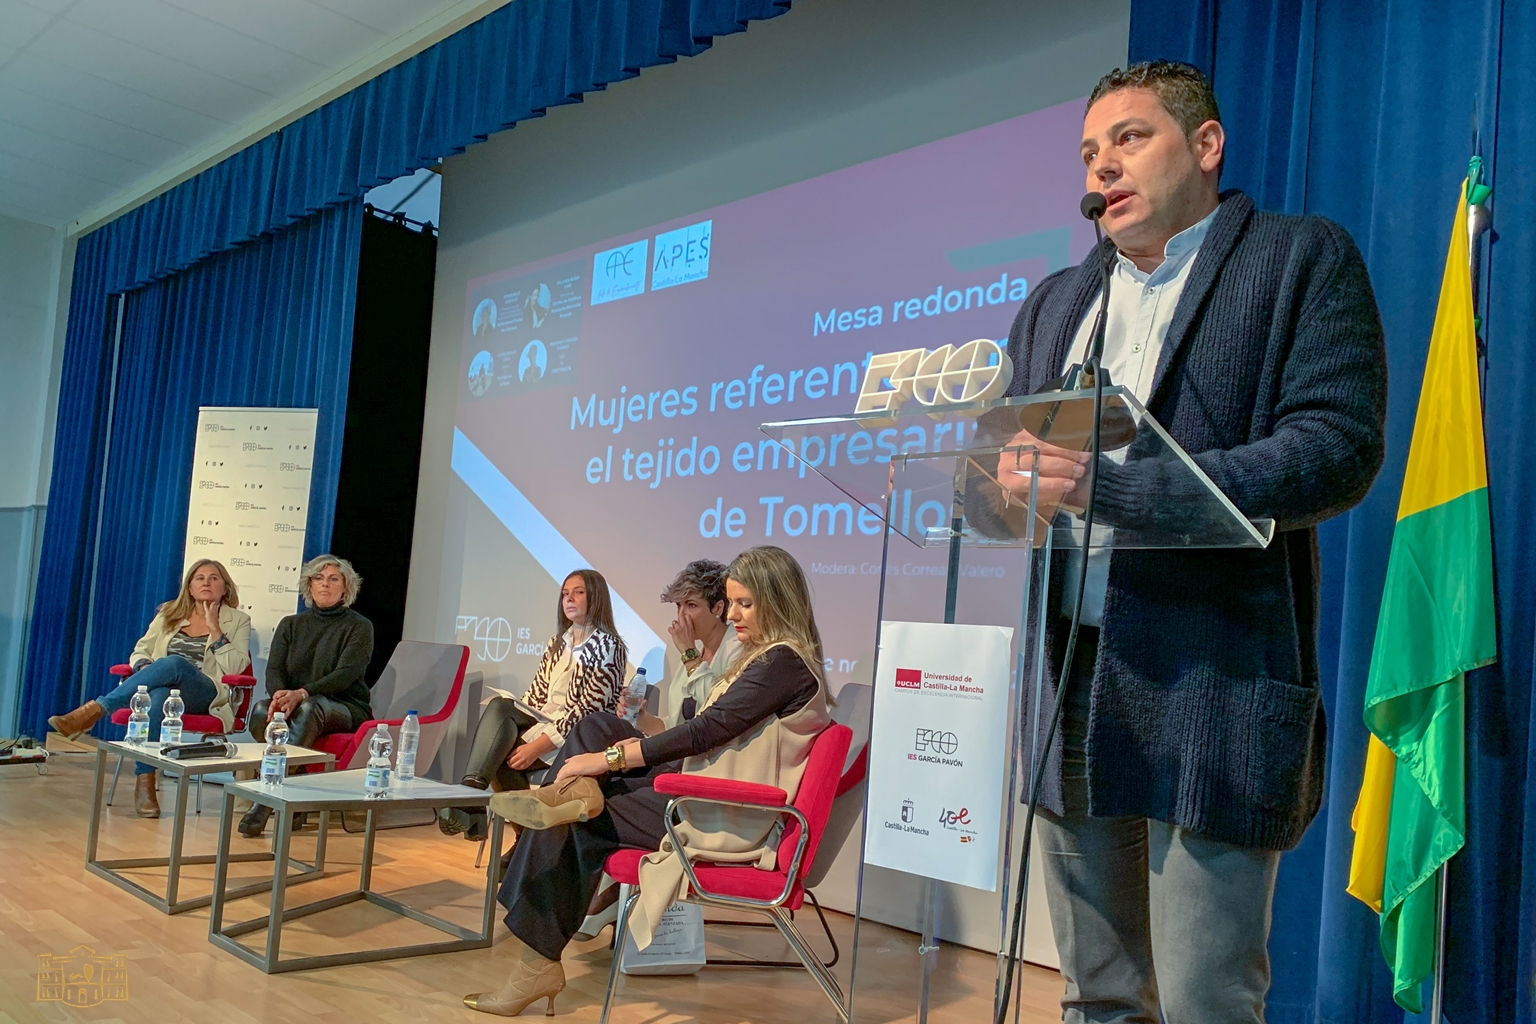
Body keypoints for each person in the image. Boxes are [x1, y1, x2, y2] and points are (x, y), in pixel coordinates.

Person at [975, 62, 1387, 1022]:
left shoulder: (1296, 261)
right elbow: (1017, 473)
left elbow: (1335, 448)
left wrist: (1124, 491)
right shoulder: (1055, 303)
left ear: (1205, 147)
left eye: (1130, 139)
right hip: (1073, 682)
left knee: (1205, 997)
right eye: (1089, 151)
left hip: (1215, 681)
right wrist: (1000, 491)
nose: (1103, 167)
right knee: (1095, 995)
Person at [460, 545, 831, 1017]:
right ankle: (558, 798)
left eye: (744, 604)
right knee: (595, 728)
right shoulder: (769, 658)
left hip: (719, 813)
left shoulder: (782, 662)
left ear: (778, 600)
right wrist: (608, 753)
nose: (733, 613)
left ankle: (534, 958)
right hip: (702, 792)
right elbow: (696, 721)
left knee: (582, 813)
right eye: (732, 602)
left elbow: (703, 731)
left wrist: (607, 762)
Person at [48, 559, 251, 818]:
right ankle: (145, 783)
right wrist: (144, 665)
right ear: (189, 587)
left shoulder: (238, 620)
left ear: (225, 587)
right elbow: (141, 651)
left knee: (174, 663)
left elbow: (236, 665)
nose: (206, 583)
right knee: (159, 694)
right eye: (200, 578)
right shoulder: (169, 614)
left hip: (206, 694)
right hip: (165, 692)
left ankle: (97, 709)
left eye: (214, 578)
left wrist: (215, 628)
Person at [437, 569, 627, 842]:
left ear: (596, 598)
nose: (569, 599)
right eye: (564, 594)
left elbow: (589, 709)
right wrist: (519, 718)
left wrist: (537, 746)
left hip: (580, 736)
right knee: (502, 710)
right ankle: (484, 808)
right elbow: (536, 695)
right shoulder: (557, 642)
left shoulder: (609, 646)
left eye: (578, 592)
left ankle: (480, 811)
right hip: (547, 723)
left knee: (505, 752)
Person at [239, 555, 373, 837]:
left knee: (310, 708)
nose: (325, 584)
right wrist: (278, 695)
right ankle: (295, 790)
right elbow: (274, 669)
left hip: (345, 706)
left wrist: (302, 692)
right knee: (263, 711)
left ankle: (264, 802)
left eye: (333, 579)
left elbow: (346, 674)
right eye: (318, 578)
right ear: (308, 585)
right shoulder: (290, 624)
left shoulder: (359, 626)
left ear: (345, 588)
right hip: (297, 702)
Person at [646, 559, 743, 730]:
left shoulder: (737, 647)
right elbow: (675, 729)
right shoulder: (696, 651)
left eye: (691, 605)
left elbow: (718, 713)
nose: (682, 616)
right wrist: (642, 719)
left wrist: (688, 654)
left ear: (718, 608)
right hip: (682, 753)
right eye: (678, 606)